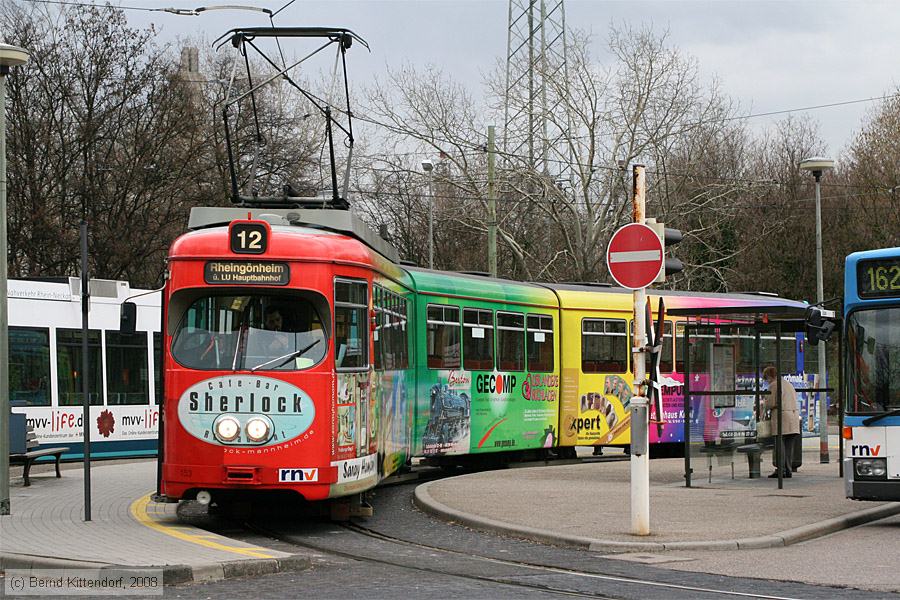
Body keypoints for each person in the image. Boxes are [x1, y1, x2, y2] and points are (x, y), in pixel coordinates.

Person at [762, 365, 800, 478]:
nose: (766, 381)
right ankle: (788, 470)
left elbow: (770, 403)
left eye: (766, 378)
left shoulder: (773, 385)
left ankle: (781, 470)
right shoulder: (788, 384)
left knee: (780, 445)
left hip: (782, 417)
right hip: (793, 417)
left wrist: (764, 404)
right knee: (789, 446)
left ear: (769, 376)